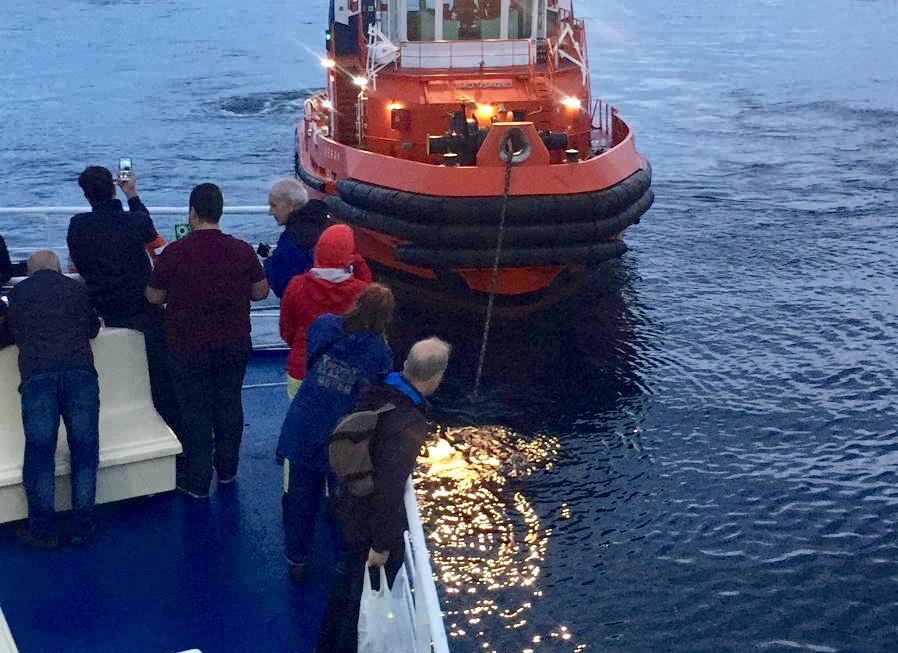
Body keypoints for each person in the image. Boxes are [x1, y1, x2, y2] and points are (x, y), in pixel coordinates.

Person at [315, 337, 452, 653]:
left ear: (405, 366)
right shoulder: (407, 423)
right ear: (435, 379)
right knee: (358, 600)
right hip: (365, 523)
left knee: (344, 587)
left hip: (346, 503)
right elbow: (390, 490)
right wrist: (380, 545)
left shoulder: (375, 390)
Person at [145, 183, 269, 498]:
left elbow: (154, 295)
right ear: (220, 211)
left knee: (194, 411)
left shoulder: (175, 252)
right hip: (233, 342)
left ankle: (198, 481)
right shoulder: (241, 249)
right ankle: (227, 470)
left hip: (187, 347)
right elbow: (260, 291)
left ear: (193, 213)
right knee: (229, 404)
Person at [276, 283, 395, 585]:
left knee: (302, 499)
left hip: (305, 425)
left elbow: (311, 347)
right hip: (342, 437)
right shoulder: (380, 352)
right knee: (344, 504)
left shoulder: (324, 325)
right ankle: (344, 562)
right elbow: (378, 393)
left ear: (357, 303)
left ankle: (297, 561)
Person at [66, 165, 180, 438]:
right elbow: (156, 244)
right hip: (144, 313)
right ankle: (177, 441)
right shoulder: (136, 222)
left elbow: (78, 266)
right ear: (113, 187)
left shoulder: (77, 227)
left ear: (86, 196)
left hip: (102, 313)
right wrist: (133, 195)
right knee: (163, 383)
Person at [6, 251, 101, 549]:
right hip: (80, 374)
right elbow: (92, 329)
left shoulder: (18, 294)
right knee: (84, 452)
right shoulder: (78, 289)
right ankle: (82, 528)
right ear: (58, 268)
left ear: (31, 272)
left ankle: (43, 531)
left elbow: (11, 332)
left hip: (38, 376)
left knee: (39, 455)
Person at [280, 224, 373, 399]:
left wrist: (301, 345)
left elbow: (286, 330)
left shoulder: (296, 285)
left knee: (301, 419)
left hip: (301, 368)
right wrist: (358, 262)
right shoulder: (359, 291)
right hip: (343, 372)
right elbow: (370, 292)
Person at [259, 177, 331, 298]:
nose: (270, 212)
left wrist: (269, 263)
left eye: (274, 205)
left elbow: (282, 286)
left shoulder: (292, 239)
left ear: (290, 204)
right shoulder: (322, 224)